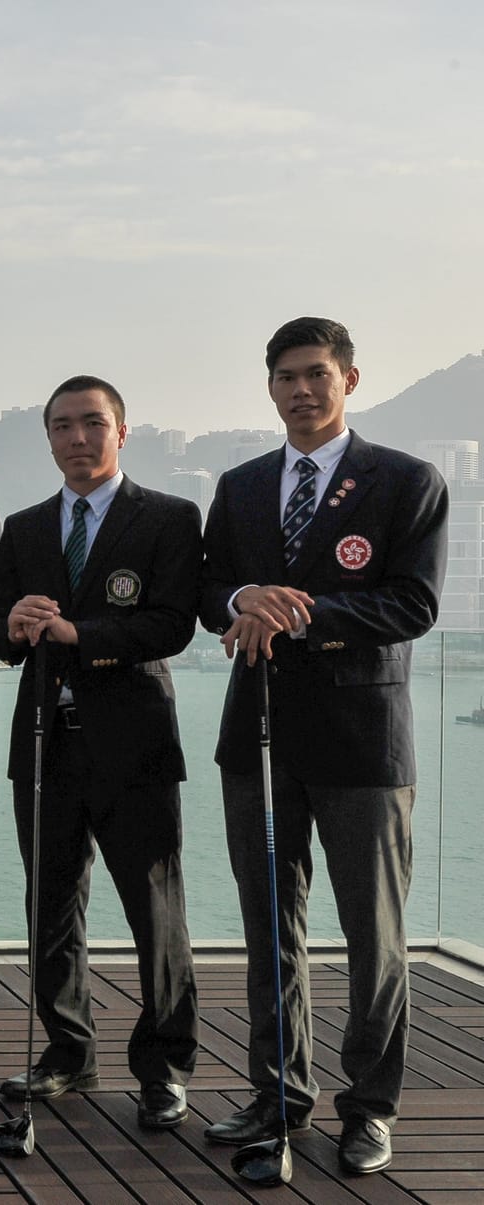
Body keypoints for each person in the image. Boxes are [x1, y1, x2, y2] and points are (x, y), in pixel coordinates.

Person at [199, 318, 447, 1176]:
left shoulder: (407, 481)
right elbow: (208, 589)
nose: (300, 390)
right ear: (268, 387)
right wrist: (241, 595)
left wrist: (296, 608)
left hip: (362, 742)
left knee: (373, 934)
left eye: (316, 374)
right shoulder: (238, 485)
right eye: (284, 377)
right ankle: (278, 1092)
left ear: (349, 378)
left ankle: (371, 1107)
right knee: (271, 926)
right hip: (259, 734)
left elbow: (412, 604)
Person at [0, 375, 200, 1132]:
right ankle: (68, 1051)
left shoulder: (169, 518)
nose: (78, 438)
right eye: (63, 426)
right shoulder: (25, 527)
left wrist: (84, 635)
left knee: (156, 911)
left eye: (93, 423)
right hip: (43, 745)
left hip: (134, 743)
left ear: (122, 430)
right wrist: (12, 624)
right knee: (51, 907)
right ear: (47, 437)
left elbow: (175, 624)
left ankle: (166, 1068)